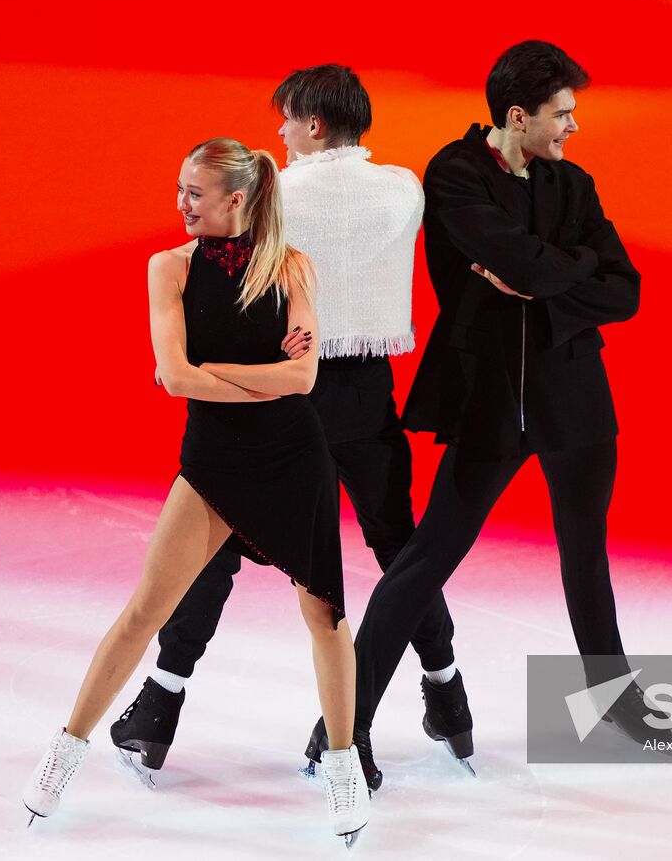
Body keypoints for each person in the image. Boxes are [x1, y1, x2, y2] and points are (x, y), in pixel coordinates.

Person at [320, 40, 672, 782]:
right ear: (518, 116)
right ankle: (342, 727)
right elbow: (520, 263)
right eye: (563, 115)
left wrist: (549, 276)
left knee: (587, 552)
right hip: (490, 402)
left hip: (575, 397)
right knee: (424, 560)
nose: (573, 128)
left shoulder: (572, 184)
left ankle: (612, 696)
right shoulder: (454, 175)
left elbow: (626, 290)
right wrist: (557, 271)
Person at [108, 66, 466, 794]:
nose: (276, 133)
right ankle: (446, 692)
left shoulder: (276, 193)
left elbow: (224, 270)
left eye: (286, 120)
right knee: (401, 550)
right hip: (368, 392)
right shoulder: (404, 189)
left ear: (313, 124)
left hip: (283, 397)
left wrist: (192, 366)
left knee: (214, 553)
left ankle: (158, 709)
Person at [21, 138, 369, 844]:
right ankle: (65, 750)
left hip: (294, 458)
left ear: (235, 200)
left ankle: (343, 761)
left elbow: (300, 382)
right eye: (180, 189)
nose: (181, 203)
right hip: (212, 461)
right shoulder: (168, 268)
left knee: (325, 618)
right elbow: (176, 379)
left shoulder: (293, 267)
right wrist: (248, 373)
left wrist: (210, 370)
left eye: (195, 193)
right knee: (144, 610)